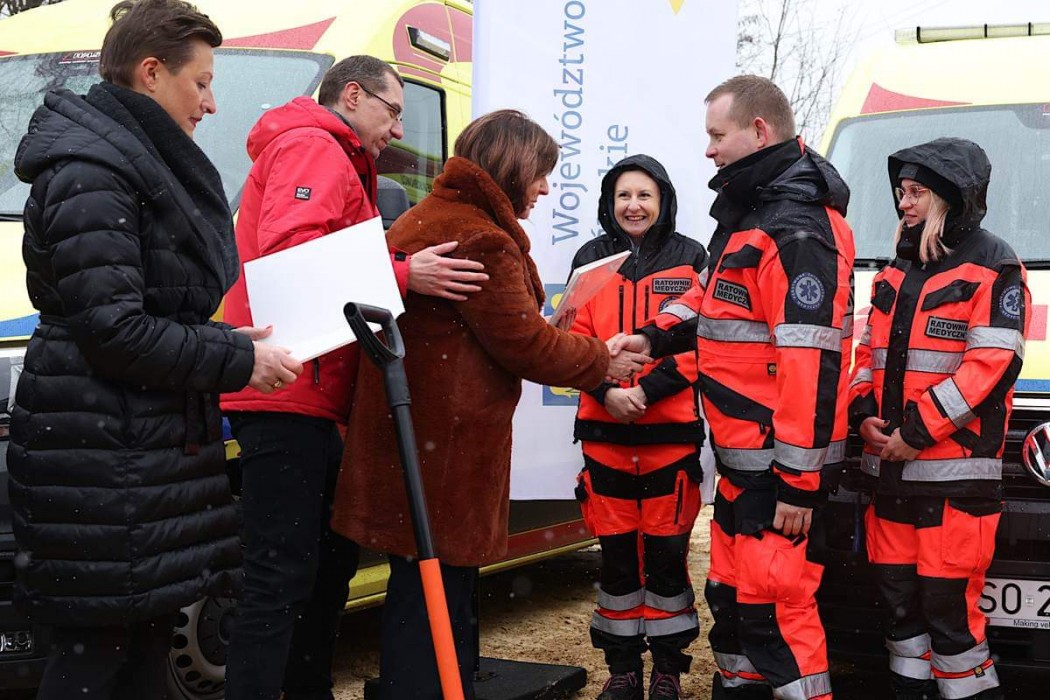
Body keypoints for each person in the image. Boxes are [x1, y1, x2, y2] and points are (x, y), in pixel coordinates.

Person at [6, 1, 302, 698]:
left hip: (130, 450)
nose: (210, 103)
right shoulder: (92, 171)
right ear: (150, 73)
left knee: (140, 646)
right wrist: (237, 360)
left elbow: (139, 313)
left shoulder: (123, 161)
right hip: (101, 453)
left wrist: (222, 339)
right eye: (201, 82)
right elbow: (115, 331)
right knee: (99, 651)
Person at [330, 109, 651, 699]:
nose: (546, 188)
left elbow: (501, 334)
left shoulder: (435, 217)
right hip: (445, 454)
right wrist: (602, 359)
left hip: (415, 441)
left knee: (419, 591)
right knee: (436, 598)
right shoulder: (483, 238)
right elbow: (526, 346)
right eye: (541, 173)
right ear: (513, 167)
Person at [219, 56, 488, 700]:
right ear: (353, 94)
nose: (398, 130)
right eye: (393, 111)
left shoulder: (335, 155)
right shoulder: (314, 147)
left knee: (319, 569)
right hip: (287, 392)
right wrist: (404, 274)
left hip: (307, 393)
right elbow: (293, 252)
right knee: (284, 574)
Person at [610, 75, 855, 699]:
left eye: (717, 136)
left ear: (759, 131)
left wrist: (798, 484)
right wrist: (650, 337)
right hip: (744, 468)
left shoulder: (797, 228)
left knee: (776, 619)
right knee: (734, 607)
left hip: (778, 474)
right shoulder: (749, 213)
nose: (709, 149)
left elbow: (812, 365)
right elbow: (707, 296)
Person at [849, 138, 1028, 700]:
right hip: (890, 477)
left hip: (955, 483)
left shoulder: (995, 265)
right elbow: (867, 353)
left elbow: (990, 367)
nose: (903, 202)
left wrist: (914, 432)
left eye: (916, 192)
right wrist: (862, 413)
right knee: (901, 617)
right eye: (901, 191)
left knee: (951, 623)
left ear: (950, 198)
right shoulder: (894, 269)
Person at [569, 155, 707, 700]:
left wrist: (647, 391)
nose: (633, 205)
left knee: (668, 562)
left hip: (670, 439)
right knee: (618, 564)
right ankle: (622, 670)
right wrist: (606, 390)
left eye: (644, 195)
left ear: (663, 200)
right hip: (604, 437)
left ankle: (668, 671)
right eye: (624, 195)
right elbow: (570, 344)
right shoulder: (590, 261)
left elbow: (704, 344)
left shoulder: (693, 259)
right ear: (610, 202)